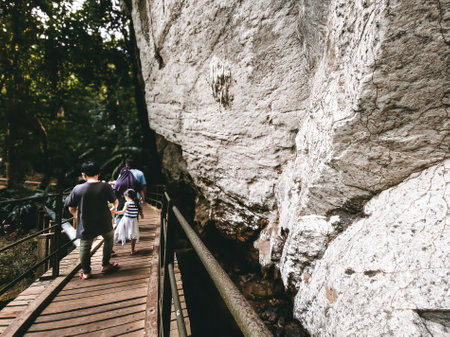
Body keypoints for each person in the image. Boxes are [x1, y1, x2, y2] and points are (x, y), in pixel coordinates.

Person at [65, 161, 119, 280]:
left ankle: (86, 272)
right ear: (99, 173)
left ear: (84, 175)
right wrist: (114, 208)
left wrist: (76, 215)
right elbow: (115, 201)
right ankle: (105, 264)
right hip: (104, 221)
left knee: (85, 246)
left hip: (86, 223)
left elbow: (71, 207)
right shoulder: (105, 186)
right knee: (109, 238)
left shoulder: (78, 189)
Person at [113, 158, 147, 224]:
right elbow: (143, 187)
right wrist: (143, 198)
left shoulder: (122, 174)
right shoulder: (139, 174)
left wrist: (113, 203)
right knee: (133, 214)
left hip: (121, 200)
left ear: (126, 165)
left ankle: (119, 228)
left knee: (120, 215)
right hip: (134, 199)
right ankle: (132, 228)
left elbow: (115, 188)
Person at [113, 189, 143, 255]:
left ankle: (110, 249)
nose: (125, 198)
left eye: (125, 197)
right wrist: (141, 215)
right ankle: (132, 250)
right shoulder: (137, 203)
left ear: (128, 196)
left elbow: (122, 212)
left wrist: (115, 212)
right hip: (134, 221)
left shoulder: (127, 203)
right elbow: (140, 212)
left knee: (117, 232)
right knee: (133, 235)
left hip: (125, 220)